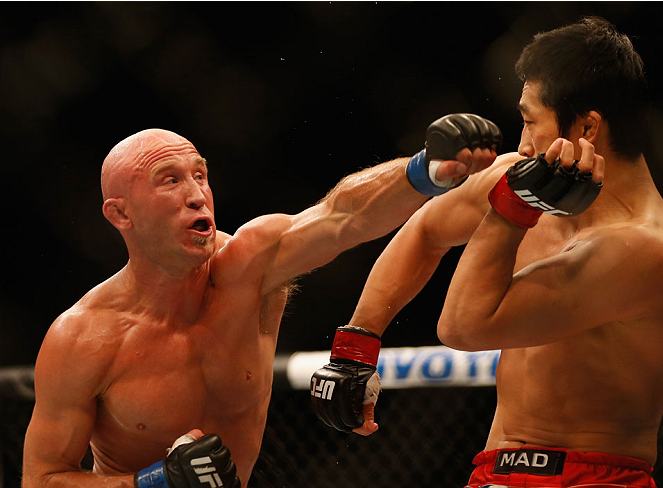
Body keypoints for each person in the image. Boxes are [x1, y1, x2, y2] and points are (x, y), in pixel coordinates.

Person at [22, 114, 502, 488]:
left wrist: (427, 170)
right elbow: (41, 478)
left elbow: (342, 216)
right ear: (120, 213)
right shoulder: (83, 337)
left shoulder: (248, 270)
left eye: (200, 176)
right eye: (170, 181)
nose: (197, 196)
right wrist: (152, 482)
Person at [311, 17, 663, 488]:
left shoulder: (646, 249)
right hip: (494, 467)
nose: (522, 142)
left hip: (594, 478)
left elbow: (463, 326)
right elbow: (427, 229)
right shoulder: (525, 172)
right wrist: (356, 347)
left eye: (531, 120)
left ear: (588, 127)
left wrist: (512, 211)